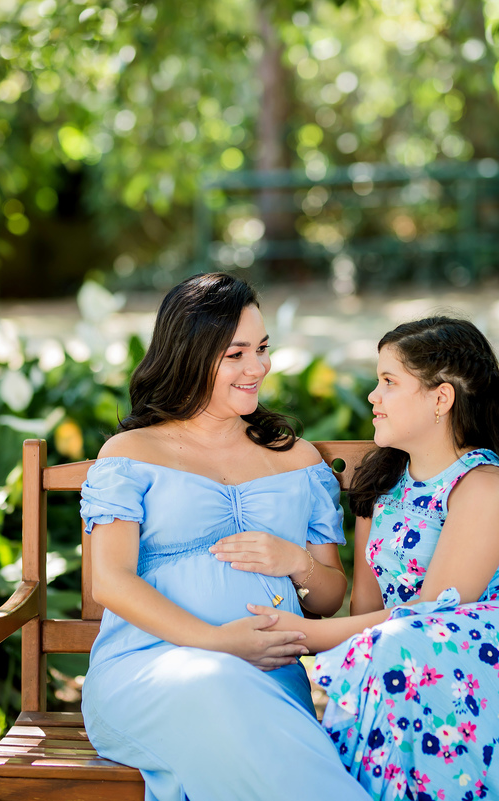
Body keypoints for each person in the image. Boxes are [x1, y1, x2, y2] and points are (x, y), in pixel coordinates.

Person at [249, 316, 499, 801]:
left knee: (400, 652)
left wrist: (303, 633)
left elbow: (439, 609)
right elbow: (367, 617)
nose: (373, 396)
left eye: (389, 382)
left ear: (441, 398)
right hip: (412, 654)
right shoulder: (382, 489)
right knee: (392, 662)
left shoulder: (484, 486)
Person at [78, 272, 372, 801]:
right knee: (215, 682)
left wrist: (296, 562)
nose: (257, 368)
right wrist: (217, 643)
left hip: (270, 681)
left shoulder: (298, 460)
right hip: (150, 671)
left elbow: (329, 599)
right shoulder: (131, 455)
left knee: (247, 719)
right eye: (236, 354)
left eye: (261, 349)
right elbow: (111, 582)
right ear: (189, 355)